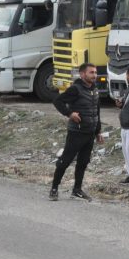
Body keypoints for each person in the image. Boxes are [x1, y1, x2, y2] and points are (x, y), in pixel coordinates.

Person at [49, 62, 105, 201]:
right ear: (82, 74)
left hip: (90, 133)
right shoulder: (75, 89)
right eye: (91, 72)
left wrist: (98, 131)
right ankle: (54, 188)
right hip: (76, 133)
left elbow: (96, 111)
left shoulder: (95, 89)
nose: (94, 75)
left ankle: (77, 189)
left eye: (95, 72)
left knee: (83, 162)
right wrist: (69, 114)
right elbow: (58, 101)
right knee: (65, 161)